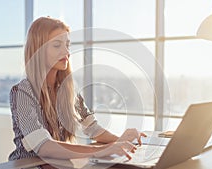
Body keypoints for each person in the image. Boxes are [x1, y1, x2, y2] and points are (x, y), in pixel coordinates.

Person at [8, 17, 146, 161]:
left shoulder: (67, 89)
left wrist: (122, 142)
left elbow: (93, 128)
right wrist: (102, 150)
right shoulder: (22, 92)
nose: (66, 52)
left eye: (67, 45)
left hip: (57, 167)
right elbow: (44, 147)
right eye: (57, 45)